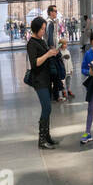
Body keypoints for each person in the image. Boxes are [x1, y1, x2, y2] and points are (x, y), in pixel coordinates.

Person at [26, 17, 60, 149]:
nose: (44, 31)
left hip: (47, 78)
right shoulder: (31, 43)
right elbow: (35, 63)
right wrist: (47, 55)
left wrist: (53, 53)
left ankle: (47, 136)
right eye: (42, 29)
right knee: (46, 108)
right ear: (36, 29)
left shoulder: (41, 41)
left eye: (44, 29)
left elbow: (46, 57)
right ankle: (41, 140)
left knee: (48, 108)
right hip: (39, 80)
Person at [44, 5, 65, 102]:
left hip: (52, 51)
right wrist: (54, 50)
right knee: (56, 74)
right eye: (55, 11)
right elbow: (50, 39)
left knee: (54, 74)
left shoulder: (51, 22)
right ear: (50, 12)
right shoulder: (50, 23)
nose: (56, 13)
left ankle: (54, 95)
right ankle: (56, 96)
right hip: (53, 52)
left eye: (56, 11)